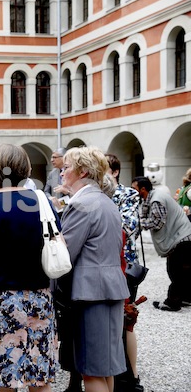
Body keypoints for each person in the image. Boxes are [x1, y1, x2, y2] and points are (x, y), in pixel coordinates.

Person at [0, 143, 59, 391]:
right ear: (26, 169)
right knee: (38, 377)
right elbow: (57, 245)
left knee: (2, 378)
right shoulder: (43, 202)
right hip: (38, 297)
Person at [59, 146, 130, 392]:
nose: (61, 172)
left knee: (91, 370)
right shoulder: (105, 201)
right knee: (104, 368)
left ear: (84, 172)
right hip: (109, 288)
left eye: (66, 168)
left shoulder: (83, 204)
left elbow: (63, 255)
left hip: (91, 293)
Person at [104, 154, 144, 392]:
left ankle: (132, 375)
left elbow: (127, 228)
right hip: (102, 265)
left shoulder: (128, 194)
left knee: (126, 321)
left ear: (116, 172)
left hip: (124, 265)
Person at [132, 176, 191, 312]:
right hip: (183, 236)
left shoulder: (156, 200)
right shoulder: (152, 197)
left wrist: (139, 223)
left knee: (176, 271)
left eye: (134, 188)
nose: (133, 191)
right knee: (183, 270)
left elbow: (157, 222)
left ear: (143, 189)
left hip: (181, 238)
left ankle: (172, 302)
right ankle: (186, 298)